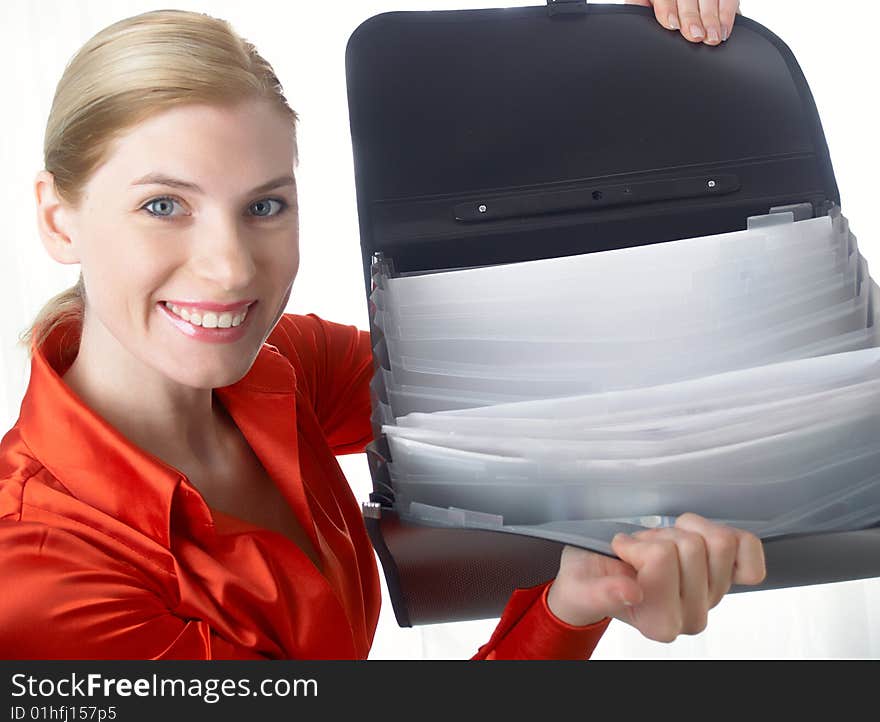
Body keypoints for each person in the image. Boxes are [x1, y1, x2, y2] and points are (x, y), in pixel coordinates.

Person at [0, 2, 764, 660]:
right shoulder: (42, 573)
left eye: (264, 206)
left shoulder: (281, 366)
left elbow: (538, 387)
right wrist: (559, 623)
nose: (231, 270)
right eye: (163, 205)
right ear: (56, 217)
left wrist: (623, 53)